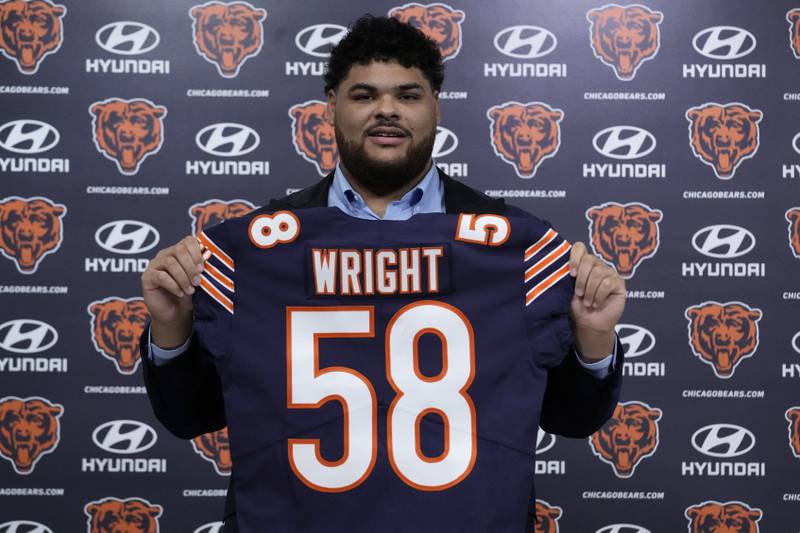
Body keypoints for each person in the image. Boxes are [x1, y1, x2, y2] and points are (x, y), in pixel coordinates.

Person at [139, 16, 626, 533]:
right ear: (331, 106)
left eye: (408, 95)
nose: (387, 110)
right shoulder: (258, 251)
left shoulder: (510, 244)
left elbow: (571, 420)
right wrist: (171, 328)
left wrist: (593, 340)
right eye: (365, 95)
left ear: (436, 105)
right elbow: (192, 418)